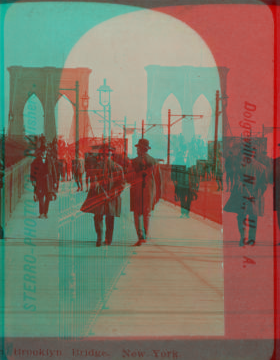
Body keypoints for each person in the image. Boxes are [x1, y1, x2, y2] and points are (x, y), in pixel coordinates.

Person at [80, 144, 125, 247]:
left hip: (99, 196)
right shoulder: (118, 168)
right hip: (111, 198)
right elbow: (121, 185)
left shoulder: (96, 167)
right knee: (110, 218)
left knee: (98, 217)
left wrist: (102, 192)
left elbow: (94, 183)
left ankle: (99, 238)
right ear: (112, 155)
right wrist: (112, 193)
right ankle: (108, 240)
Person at [224, 150, 268, 246]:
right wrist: (255, 194)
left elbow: (237, 180)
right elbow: (263, 185)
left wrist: (246, 192)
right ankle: (251, 239)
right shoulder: (262, 167)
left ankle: (242, 238)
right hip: (254, 198)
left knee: (241, 217)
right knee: (253, 218)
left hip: (242, 196)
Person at [127, 139, 161, 246]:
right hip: (149, 192)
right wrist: (157, 194)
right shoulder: (154, 161)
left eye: (138, 148)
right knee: (146, 214)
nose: (137, 150)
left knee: (137, 215)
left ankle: (140, 236)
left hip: (136, 191)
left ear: (141, 149)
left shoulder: (133, 162)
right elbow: (158, 180)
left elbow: (128, 178)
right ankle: (144, 236)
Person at [30, 145, 58, 219]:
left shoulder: (50, 159)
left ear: (46, 151)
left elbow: (54, 170)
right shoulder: (36, 160)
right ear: (40, 152)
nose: (43, 152)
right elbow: (32, 171)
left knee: (48, 197)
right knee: (41, 197)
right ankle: (41, 213)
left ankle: (45, 213)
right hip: (40, 181)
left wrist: (55, 181)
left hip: (49, 181)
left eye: (45, 151)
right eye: (42, 151)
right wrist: (33, 180)